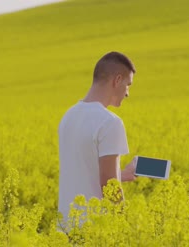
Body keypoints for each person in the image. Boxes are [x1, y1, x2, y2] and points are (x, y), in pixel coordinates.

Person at [58, 51, 137, 225]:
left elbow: (81, 171)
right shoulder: (110, 122)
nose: (127, 93)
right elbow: (109, 184)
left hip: (65, 229)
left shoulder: (68, 117)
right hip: (93, 229)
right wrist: (126, 225)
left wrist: (121, 174)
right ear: (117, 80)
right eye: (128, 85)